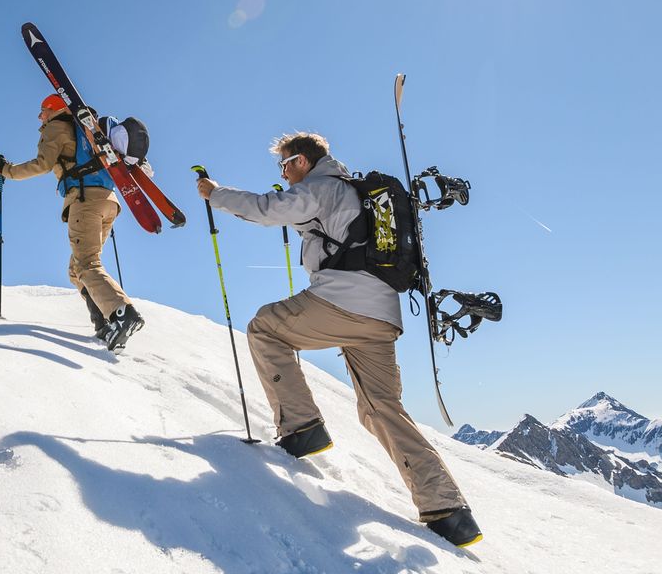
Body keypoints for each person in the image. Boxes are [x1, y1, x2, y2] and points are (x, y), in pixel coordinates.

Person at [194, 131, 482, 548]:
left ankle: (301, 428)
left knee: (264, 328)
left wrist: (215, 193)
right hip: (382, 317)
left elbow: (264, 209)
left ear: (302, 162)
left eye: (285, 164)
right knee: (382, 408)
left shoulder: (322, 187)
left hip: (343, 304)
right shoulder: (353, 191)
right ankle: (450, 511)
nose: (283, 173)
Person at [0, 95, 145, 350]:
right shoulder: (85, 130)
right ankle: (104, 323)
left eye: (42, 111)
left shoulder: (57, 127)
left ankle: (122, 314)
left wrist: (6, 170)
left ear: (53, 109)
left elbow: (42, 164)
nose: (40, 117)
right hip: (108, 202)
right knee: (76, 270)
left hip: (85, 200)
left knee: (87, 264)